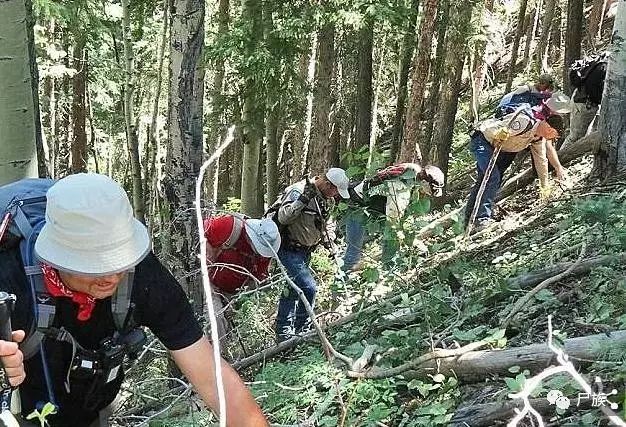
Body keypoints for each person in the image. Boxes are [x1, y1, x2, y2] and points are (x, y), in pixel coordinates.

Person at [0, 173, 268, 427]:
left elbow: (211, 376)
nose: (112, 277)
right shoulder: (10, 276)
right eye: (95, 264)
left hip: (90, 408)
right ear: (57, 256)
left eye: (119, 260)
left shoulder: (142, 274)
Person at [465, 92, 571, 232]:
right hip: (482, 142)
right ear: (549, 128)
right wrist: (498, 134)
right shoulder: (524, 121)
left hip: (497, 148)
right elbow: (493, 129)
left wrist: (544, 187)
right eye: (554, 135)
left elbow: (541, 161)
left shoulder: (537, 138)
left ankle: (469, 220)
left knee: (485, 180)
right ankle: (481, 220)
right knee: (491, 177)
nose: (552, 138)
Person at [266, 168, 350, 342]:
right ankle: (300, 328)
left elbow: (328, 223)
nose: (335, 195)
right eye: (335, 191)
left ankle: (287, 332)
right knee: (309, 288)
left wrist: (330, 242)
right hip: (289, 248)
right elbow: (283, 217)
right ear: (328, 185)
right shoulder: (298, 191)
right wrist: (303, 200)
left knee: (293, 288)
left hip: (306, 250)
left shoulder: (327, 200)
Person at [342, 163, 445, 271]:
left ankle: (385, 269)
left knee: (379, 238)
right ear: (424, 182)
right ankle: (342, 281)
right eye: (430, 190)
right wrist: (413, 242)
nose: (429, 194)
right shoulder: (400, 188)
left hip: (373, 208)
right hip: (358, 207)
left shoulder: (413, 172)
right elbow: (393, 223)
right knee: (354, 253)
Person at [203, 215, 280, 340]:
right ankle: (216, 357)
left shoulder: (264, 255)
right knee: (216, 320)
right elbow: (198, 234)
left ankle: (222, 352)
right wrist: (207, 256)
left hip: (231, 293)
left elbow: (255, 280)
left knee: (225, 325)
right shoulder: (229, 226)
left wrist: (236, 302)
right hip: (207, 281)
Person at [560, 52, 607, 150]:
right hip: (584, 104)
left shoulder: (603, 62)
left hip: (584, 102)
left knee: (583, 136)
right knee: (575, 138)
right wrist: (600, 99)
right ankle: (558, 161)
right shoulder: (603, 67)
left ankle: (567, 160)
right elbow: (592, 86)